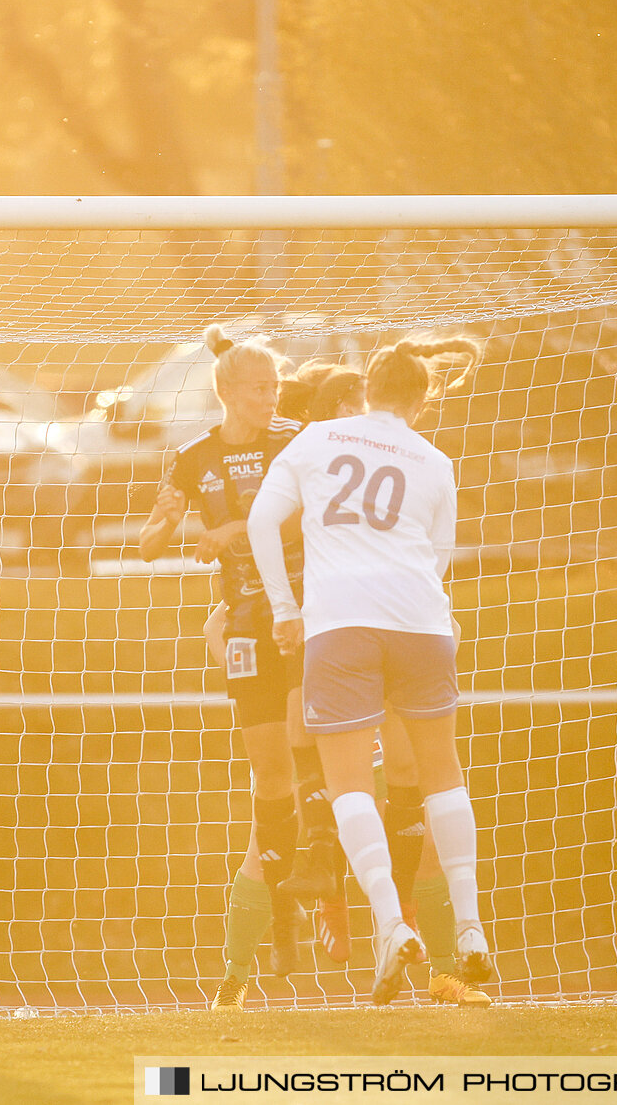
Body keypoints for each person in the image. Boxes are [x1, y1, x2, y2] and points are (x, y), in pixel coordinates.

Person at [247, 339, 489, 1005]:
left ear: (368, 386)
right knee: (443, 772)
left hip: (341, 622)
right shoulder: (435, 460)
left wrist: (282, 605)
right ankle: (470, 932)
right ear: (422, 397)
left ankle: (390, 923)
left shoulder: (319, 437)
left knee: (349, 781)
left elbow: (262, 520)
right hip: (421, 621)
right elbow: (439, 556)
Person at [136, 325, 341, 1008]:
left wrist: (235, 531)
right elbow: (145, 545)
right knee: (269, 773)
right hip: (246, 625)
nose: (271, 397)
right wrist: (165, 523)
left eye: (275, 387)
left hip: (305, 612)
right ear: (226, 392)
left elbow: (310, 515)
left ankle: (323, 869)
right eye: (259, 388)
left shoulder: (294, 441)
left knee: (305, 738)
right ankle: (284, 921)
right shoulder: (193, 458)